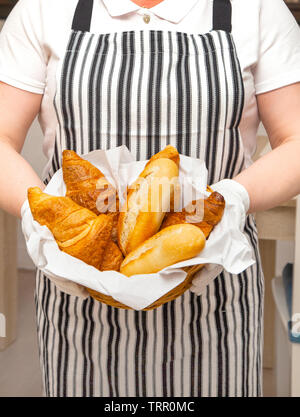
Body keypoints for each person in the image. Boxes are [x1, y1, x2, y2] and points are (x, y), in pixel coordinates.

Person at [1, 0, 300, 397]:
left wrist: (234, 200)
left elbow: (295, 140)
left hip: (214, 305)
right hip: (79, 304)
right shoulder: (43, 7)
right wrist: (40, 217)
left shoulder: (257, 7)